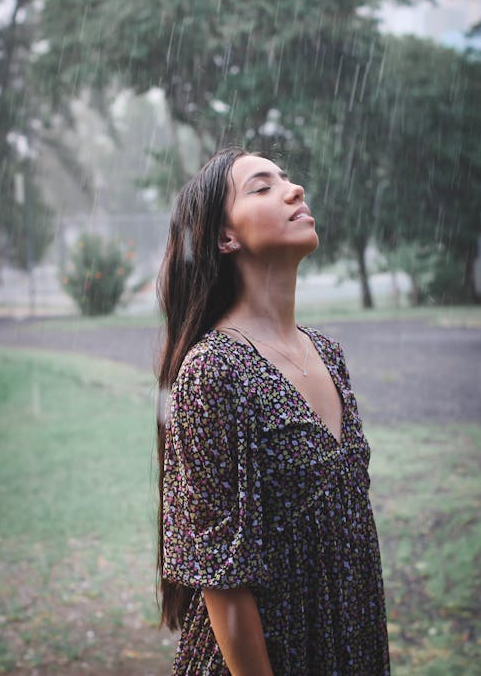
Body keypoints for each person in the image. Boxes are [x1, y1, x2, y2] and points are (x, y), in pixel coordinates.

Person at [156, 147, 390, 675]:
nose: (294, 189)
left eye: (288, 179)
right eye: (262, 187)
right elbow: (222, 579)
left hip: (349, 645)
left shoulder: (328, 353)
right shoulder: (214, 370)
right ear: (225, 237)